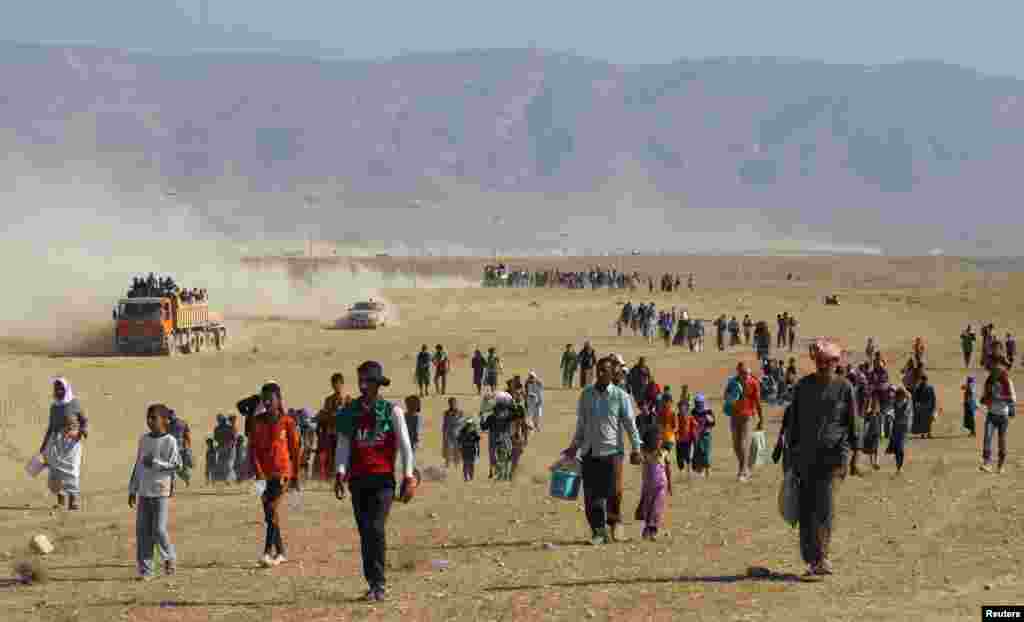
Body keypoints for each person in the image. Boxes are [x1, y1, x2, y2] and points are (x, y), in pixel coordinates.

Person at [334, 361, 416, 602]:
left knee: (375, 528)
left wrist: (408, 475)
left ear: (377, 384)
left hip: (383, 481)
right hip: (358, 480)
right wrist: (339, 473)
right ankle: (372, 583)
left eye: (367, 380)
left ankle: (379, 584)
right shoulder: (350, 412)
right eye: (360, 380)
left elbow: (406, 446)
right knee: (365, 532)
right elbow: (343, 445)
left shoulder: (392, 411)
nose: (363, 385)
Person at [786, 338, 858, 576]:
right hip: (805, 458)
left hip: (833, 459)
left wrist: (852, 458)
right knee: (806, 510)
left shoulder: (845, 388)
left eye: (828, 361)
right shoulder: (803, 387)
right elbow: (793, 424)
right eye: (820, 361)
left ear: (836, 362)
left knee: (824, 507)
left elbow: (852, 424)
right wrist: (789, 459)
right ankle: (812, 560)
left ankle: (822, 557)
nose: (824, 365)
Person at [563, 357, 643, 545]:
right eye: (598, 370)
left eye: (604, 370)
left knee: (614, 491)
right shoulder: (586, 395)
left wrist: (636, 448)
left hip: (612, 452)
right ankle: (598, 532)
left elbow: (630, 424)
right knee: (591, 495)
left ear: (612, 373)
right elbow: (582, 424)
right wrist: (574, 446)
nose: (599, 374)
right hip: (589, 451)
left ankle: (614, 522)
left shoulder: (620, 396)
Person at [248, 382, 301, 568]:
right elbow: (253, 450)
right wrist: (258, 473)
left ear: (279, 400)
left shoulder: (288, 422)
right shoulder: (257, 422)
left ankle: (266, 552)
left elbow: (295, 450)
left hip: (283, 473)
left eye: (270, 399)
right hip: (263, 476)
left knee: (271, 509)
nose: (267, 402)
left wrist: (295, 476)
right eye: (264, 400)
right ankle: (281, 552)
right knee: (270, 515)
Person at [128, 404, 181, 579]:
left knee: (158, 529)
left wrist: (156, 463)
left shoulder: (170, 441)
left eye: (154, 418)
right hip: (144, 491)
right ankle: (146, 571)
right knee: (142, 532)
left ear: (164, 420)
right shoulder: (144, 439)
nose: (150, 421)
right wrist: (133, 489)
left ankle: (169, 557)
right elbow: (138, 464)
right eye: (148, 418)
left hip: (160, 491)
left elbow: (176, 465)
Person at [40, 378, 89, 509]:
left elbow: (84, 420)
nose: (59, 391)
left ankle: (73, 501)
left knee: (72, 471)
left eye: (61, 388)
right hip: (56, 444)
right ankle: (60, 501)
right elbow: (51, 427)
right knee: (56, 471)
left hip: (72, 444)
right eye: (56, 389)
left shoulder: (74, 403)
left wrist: (81, 432)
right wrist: (43, 446)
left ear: (67, 389)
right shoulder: (54, 407)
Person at [730, 362, 764, 482]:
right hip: (734, 416)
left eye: (745, 373)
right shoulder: (733, 382)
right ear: (737, 372)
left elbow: (758, 402)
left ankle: (743, 471)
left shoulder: (753, 383)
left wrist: (761, 418)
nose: (743, 375)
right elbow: (726, 396)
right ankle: (744, 466)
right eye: (741, 373)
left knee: (744, 443)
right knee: (736, 445)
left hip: (747, 416)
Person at [980, 359, 1015, 473]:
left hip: (1003, 416)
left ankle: (1000, 465)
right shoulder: (988, 382)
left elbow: (1012, 399)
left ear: (1002, 370)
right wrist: (986, 399)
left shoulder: (1007, 382)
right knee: (987, 437)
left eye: (997, 370)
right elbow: (983, 399)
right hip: (991, 414)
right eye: (993, 370)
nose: (994, 372)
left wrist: (999, 398)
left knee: (1001, 441)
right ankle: (986, 463)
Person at [636, 426, 670, 541]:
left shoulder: (663, 453)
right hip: (648, 487)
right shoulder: (645, 454)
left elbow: (668, 468)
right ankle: (647, 529)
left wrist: (670, 484)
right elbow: (635, 460)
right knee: (648, 508)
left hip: (661, 486)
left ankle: (653, 529)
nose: (660, 441)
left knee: (657, 507)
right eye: (658, 439)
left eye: (661, 439)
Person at [45, 412, 83, 511]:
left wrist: (79, 430)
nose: (69, 427)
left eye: (73, 426)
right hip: (59, 462)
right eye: (67, 425)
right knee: (58, 482)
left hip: (71, 463)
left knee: (72, 481)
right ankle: (61, 503)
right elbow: (50, 445)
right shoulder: (57, 434)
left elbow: (80, 433)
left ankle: (73, 502)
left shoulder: (76, 435)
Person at [317, 374, 349, 482]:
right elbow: (326, 415)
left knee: (343, 457)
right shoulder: (329, 400)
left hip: (343, 433)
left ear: (342, 384)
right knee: (331, 457)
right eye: (334, 384)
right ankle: (332, 479)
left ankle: (343, 479)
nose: (336, 386)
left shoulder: (347, 400)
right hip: (331, 432)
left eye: (338, 383)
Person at [887, 387, 913, 472]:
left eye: (902, 395)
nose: (900, 397)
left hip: (903, 429)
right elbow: (890, 411)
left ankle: (900, 466)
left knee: (900, 447)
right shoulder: (894, 403)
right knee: (897, 448)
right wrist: (890, 416)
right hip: (895, 428)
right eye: (899, 395)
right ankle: (898, 466)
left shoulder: (907, 403)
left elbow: (908, 412)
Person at [690, 394, 715, 478]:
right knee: (698, 452)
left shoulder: (708, 411)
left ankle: (707, 471)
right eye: (697, 403)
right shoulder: (693, 411)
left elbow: (713, 423)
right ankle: (700, 470)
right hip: (696, 436)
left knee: (706, 453)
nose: (698, 404)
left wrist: (709, 419)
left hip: (706, 435)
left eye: (700, 403)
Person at [167, 409, 193, 487]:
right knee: (178, 467)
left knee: (177, 467)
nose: (169, 418)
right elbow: (187, 435)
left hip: (178, 449)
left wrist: (188, 447)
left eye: (169, 416)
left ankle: (184, 479)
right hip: (178, 448)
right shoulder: (180, 423)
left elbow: (187, 435)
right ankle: (184, 479)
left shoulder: (171, 425)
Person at [441, 397, 466, 469]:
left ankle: (456, 464)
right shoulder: (446, 413)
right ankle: (447, 463)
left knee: (457, 449)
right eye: (451, 403)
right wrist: (444, 432)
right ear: (449, 404)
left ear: (456, 403)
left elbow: (462, 423)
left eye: (454, 403)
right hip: (448, 432)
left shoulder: (460, 412)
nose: (452, 405)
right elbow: (445, 423)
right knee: (447, 448)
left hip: (457, 433)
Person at [911, 374, 937, 438]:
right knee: (922, 421)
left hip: (928, 406)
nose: (924, 381)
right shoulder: (918, 388)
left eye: (924, 380)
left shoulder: (929, 387)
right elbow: (915, 398)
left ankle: (928, 433)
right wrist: (916, 405)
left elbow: (933, 398)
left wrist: (933, 406)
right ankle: (923, 434)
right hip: (921, 406)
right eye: (923, 380)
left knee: (928, 421)